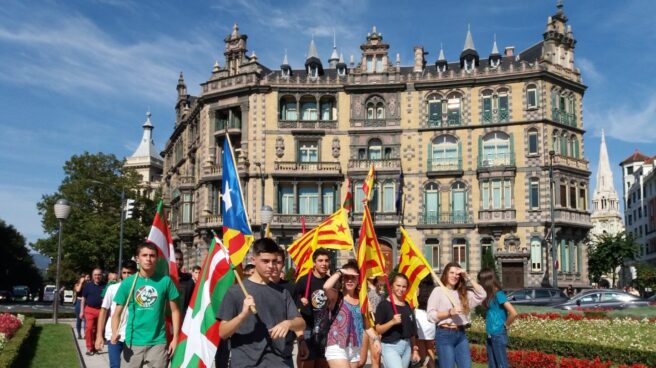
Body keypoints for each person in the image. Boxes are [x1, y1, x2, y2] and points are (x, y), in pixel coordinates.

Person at [217, 238, 305, 368]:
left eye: (274, 261)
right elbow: (223, 332)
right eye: (265, 261)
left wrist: (288, 323)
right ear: (253, 260)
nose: (271, 266)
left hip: (279, 362)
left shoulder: (282, 292)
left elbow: (301, 323)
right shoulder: (235, 291)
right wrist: (242, 315)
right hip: (245, 364)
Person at [112, 242, 181, 368]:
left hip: (158, 343)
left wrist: (176, 338)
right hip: (133, 342)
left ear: (157, 259)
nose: (148, 259)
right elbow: (116, 314)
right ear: (138, 258)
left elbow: (175, 311)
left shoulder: (165, 281)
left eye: (152, 255)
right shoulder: (128, 283)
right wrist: (114, 332)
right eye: (144, 255)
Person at [427, 263, 486, 368]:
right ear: (446, 274)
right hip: (444, 334)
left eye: (457, 274)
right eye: (452, 273)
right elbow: (430, 315)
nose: (454, 276)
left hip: (461, 335)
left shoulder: (464, 293)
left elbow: (482, 295)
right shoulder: (438, 291)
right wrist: (449, 312)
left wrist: (467, 277)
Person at [324, 260, 379, 368]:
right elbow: (326, 287)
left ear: (358, 279)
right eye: (346, 277)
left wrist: (376, 339)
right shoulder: (336, 296)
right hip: (336, 345)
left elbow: (366, 325)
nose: (349, 280)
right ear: (343, 279)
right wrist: (340, 272)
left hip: (354, 348)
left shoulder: (362, 299)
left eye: (353, 277)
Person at [271, 246, 308, 367]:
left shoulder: (290, 288)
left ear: (283, 264)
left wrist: (301, 341)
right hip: (261, 348)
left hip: (284, 349)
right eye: (272, 261)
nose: (274, 265)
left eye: (279, 262)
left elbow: (296, 317)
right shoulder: (255, 287)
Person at [95, 260, 138, 368]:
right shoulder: (112, 289)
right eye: (124, 273)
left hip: (133, 334)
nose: (127, 276)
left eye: (130, 273)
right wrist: (99, 335)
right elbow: (103, 311)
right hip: (114, 334)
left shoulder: (140, 289)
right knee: (115, 365)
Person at [293, 248, 331, 368]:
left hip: (326, 330)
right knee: (307, 362)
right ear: (314, 263)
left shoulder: (331, 281)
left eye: (326, 260)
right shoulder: (304, 280)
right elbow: (292, 299)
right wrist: (300, 302)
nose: (324, 264)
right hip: (308, 327)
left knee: (323, 363)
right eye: (320, 260)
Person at [374, 274, 421, 368]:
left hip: (407, 347)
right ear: (391, 286)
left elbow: (412, 331)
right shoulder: (384, 305)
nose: (401, 289)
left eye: (404, 286)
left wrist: (414, 350)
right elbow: (378, 329)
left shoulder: (407, 306)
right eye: (398, 285)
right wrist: (392, 322)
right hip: (390, 346)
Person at [477, 269, 517, 368]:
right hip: (491, 334)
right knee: (492, 364)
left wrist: (505, 325)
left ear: (485, 281)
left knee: (501, 364)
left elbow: (514, 313)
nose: (479, 283)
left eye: (480, 281)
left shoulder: (499, 294)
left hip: (498, 334)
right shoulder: (490, 295)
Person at [81, 268, 106, 355]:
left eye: (99, 274)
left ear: (101, 275)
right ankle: (89, 347)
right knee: (89, 328)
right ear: (92, 276)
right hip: (90, 310)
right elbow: (83, 299)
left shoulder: (105, 286)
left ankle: (96, 346)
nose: (97, 276)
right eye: (95, 275)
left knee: (98, 330)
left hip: (101, 311)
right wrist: (81, 311)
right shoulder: (87, 286)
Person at [415, 278, 436, 368]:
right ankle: (432, 366)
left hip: (419, 316)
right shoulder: (433, 288)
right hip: (430, 318)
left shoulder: (417, 286)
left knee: (421, 350)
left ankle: (424, 366)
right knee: (430, 348)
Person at [366, 277, 382, 368]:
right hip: (367, 323)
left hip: (377, 323)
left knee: (377, 355)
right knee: (361, 360)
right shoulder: (363, 286)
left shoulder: (377, 286)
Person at [174, 249, 195, 316]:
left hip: (183, 317)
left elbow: (192, 302)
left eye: (180, 259)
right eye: (176, 259)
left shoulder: (189, 281)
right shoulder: (165, 279)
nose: (178, 262)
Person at [74, 275, 88, 339]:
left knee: (86, 320)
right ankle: (79, 334)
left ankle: (85, 334)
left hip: (86, 303)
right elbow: (78, 290)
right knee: (79, 319)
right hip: (79, 302)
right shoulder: (77, 285)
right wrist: (81, 283)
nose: (86, 279)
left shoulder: (88, 285)